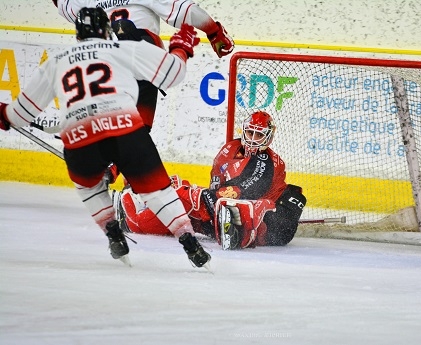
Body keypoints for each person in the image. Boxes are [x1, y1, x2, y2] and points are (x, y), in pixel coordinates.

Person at [0, 7, 211, 269]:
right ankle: (189, 242)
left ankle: (112, 231)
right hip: (126, 130)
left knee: (89, 185)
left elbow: (19, 113)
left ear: (77, 35)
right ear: (107, 30)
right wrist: (182, 48)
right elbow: (172, 74)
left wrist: (4, 115)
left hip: (79, 138)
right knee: (156, 191)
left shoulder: (56, 62)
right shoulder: (123, 49)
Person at [112, 111, 307, 250]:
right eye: (250, 132)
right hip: (220, 212)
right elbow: (217, 183)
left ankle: (234, 230)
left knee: (183, 194)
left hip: (264, 221)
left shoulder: (268, 162)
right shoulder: (230, 149)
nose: (253, 139)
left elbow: (246, 189)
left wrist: (202, 196)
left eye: (259, 134)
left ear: (268, 137)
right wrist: (206, 199)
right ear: (244, 130)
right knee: (175, 215)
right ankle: (129, 214)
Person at [52, 0, 234, 131]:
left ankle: (110, 163)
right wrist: (214, 32)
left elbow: (63, 5)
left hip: (104, 62)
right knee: (138, 127)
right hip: (141, 55)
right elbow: (188, 12)